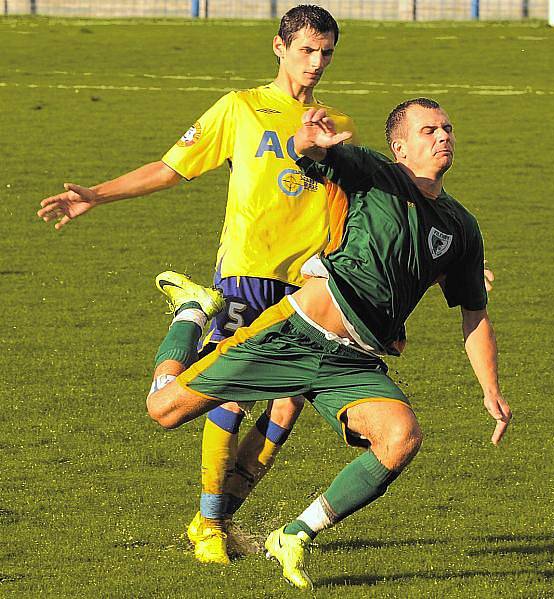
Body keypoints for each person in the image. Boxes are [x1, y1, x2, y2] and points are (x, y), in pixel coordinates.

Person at [37, 5, 359, 565]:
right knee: (227, 394)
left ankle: (213, 516)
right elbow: (172, 166)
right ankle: (211, 525)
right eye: (307, 49)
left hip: (308, 287)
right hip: (248, 273)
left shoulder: (333, 121)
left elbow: (353, 204)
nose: (316, 62)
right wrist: (98, 194)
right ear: (279, 47)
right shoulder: (240, 108)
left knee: (285, 410)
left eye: (326, 52)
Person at [145, 98, 512, 589]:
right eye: (429, 130)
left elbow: (474, 312)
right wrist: (307, 141)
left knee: (401, 437)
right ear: (400, 147)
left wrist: (489, 388)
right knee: (164, 410)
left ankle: (295, 534)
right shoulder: (375, 174)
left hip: (353, 361)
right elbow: (310, 155)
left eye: (447, 127)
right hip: (291, 334)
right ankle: (191, 311)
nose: (443, 136)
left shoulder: (461, 227)